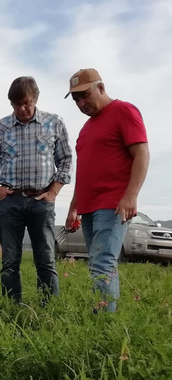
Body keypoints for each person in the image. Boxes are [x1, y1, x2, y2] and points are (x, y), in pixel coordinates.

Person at [0, 76, 73, 305]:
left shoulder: (54, 123)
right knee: (10, 260)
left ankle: (49, 310)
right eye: (16, 104)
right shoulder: (0, 128)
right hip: (11, 202)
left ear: (35, 99)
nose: (22, 109)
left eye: (26, 103)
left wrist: (54, 192)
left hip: (42, 200)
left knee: (46, 259)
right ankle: (12, 308)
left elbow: (66, 159)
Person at [64, 68, 149, 312]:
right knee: (99, 264)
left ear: (101, 88)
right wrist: (73, 208)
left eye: (85, 95)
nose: (81, 103)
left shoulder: (124, 110)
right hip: (89, 208)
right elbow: (85, 171)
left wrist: (130, 195)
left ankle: (102, 327)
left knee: (102, 263)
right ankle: (106, 319)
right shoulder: (86, 129)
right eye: (76, 99)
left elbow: (141, 153)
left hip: (112, 204)